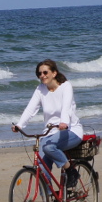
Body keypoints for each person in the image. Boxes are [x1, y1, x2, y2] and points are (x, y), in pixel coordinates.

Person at [11, 59, 83, 187]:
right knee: (41, 167)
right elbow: (30, 109)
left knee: (48, 147)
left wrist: (64, 122)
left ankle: (71, 171)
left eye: (45, 72)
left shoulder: (66, 86)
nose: (42, 76)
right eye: (39, 74)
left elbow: (66, 107)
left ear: (54, 73)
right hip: (49, 132)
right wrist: (19, 125)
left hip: (71, 130)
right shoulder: (40, 89)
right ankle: (49, 199)